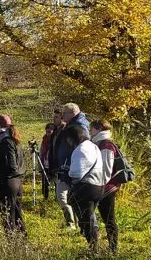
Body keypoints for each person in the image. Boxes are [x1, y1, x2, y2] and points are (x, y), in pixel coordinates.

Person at [67, 127, 110, 252]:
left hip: (86, 187)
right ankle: (94, 244)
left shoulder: (80, 149)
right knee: (91, 217)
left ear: (72, 138)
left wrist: (67, 171)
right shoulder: (93, 146)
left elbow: (76, 173)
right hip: (98, 186)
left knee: (86, 219)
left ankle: (93, 247)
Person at [53, 103, 91, 232]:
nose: (62, 116)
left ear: (72, 113)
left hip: (73, 167)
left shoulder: (80, 126)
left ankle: (80, 226)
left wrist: (70, 163)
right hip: (66, 166)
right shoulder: (69, 126)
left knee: (70, 198)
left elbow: (83, 148)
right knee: (67, 198)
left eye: (65, 114)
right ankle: (76, 224)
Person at [0, 114, 25, 236]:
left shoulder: (5, 141)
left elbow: (12, 164)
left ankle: (12, 239)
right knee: (16, 210)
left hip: (7, 181)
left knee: (7, 211)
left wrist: (1, 177)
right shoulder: (12, 138)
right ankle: (22, 236)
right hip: (15, 181)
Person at [90, 120, 120, 253]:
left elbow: (106, 171)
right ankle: (97, 246)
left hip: (106, 188)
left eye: (91, 129)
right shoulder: (98, 143)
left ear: (98, 129)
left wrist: (99, 186)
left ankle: (113, 248)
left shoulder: (106, 145)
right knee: (100, 217)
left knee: (109, 218)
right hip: (100, 186)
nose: (90, 131)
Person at [39, 122, 55, 201]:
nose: (49, 130)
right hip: (45, 164)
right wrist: (40, 164)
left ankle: (57, 198)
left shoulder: (56, 139)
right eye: (47, 128)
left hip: (54, 165)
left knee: (56, 182)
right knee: (44, 182)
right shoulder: (44, 139)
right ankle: (45, 197)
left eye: (51, 128)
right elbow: (41, 152)